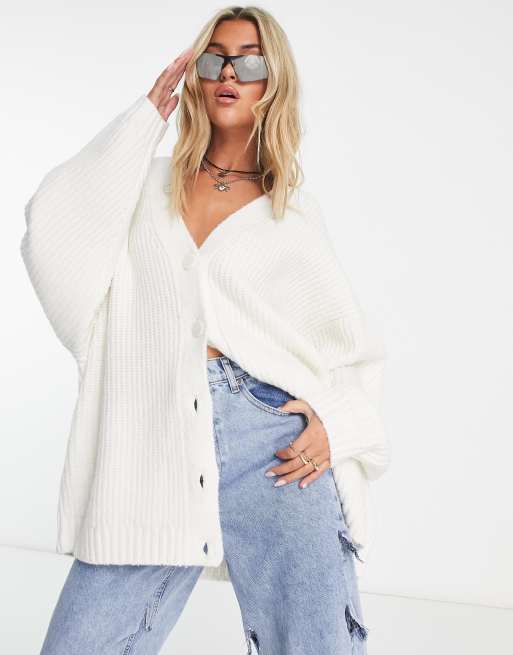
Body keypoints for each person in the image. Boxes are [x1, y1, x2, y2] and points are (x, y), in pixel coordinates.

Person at [21, 6, 390, 655]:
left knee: (316, 643)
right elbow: (51, 228)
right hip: (153, 440)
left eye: (249, 62)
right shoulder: (142, 185)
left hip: (273, 448)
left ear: (273, 81)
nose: (228, 73)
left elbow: (352, 352)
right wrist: (141, 121)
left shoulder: (292, 214)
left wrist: (337, 423)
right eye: (215, 58)